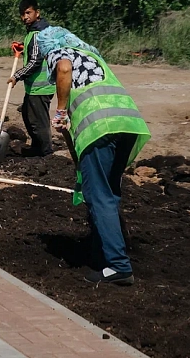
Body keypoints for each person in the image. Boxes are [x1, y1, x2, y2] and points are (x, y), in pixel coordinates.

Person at [48, 44, 150, 285]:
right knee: (109, 192)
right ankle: (103, 251)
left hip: (100, 128)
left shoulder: (56, 51)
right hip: (127, 123)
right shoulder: (91, 55)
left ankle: (118, 266)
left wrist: (61, 110)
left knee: (99, 195)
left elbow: (63, 68)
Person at [8, 0, 56, 157]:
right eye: (22, 14)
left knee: (38, 122)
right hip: (35, 86)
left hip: (41, 87)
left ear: (37, 13)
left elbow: (35, 61)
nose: (25, 17)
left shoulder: (38, 34)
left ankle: (46, 153)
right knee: (28, 116)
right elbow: (34, 50)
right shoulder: (34, 32)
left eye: (28, 12)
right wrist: (23, 46)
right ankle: (37, 148)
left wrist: (17, 76)